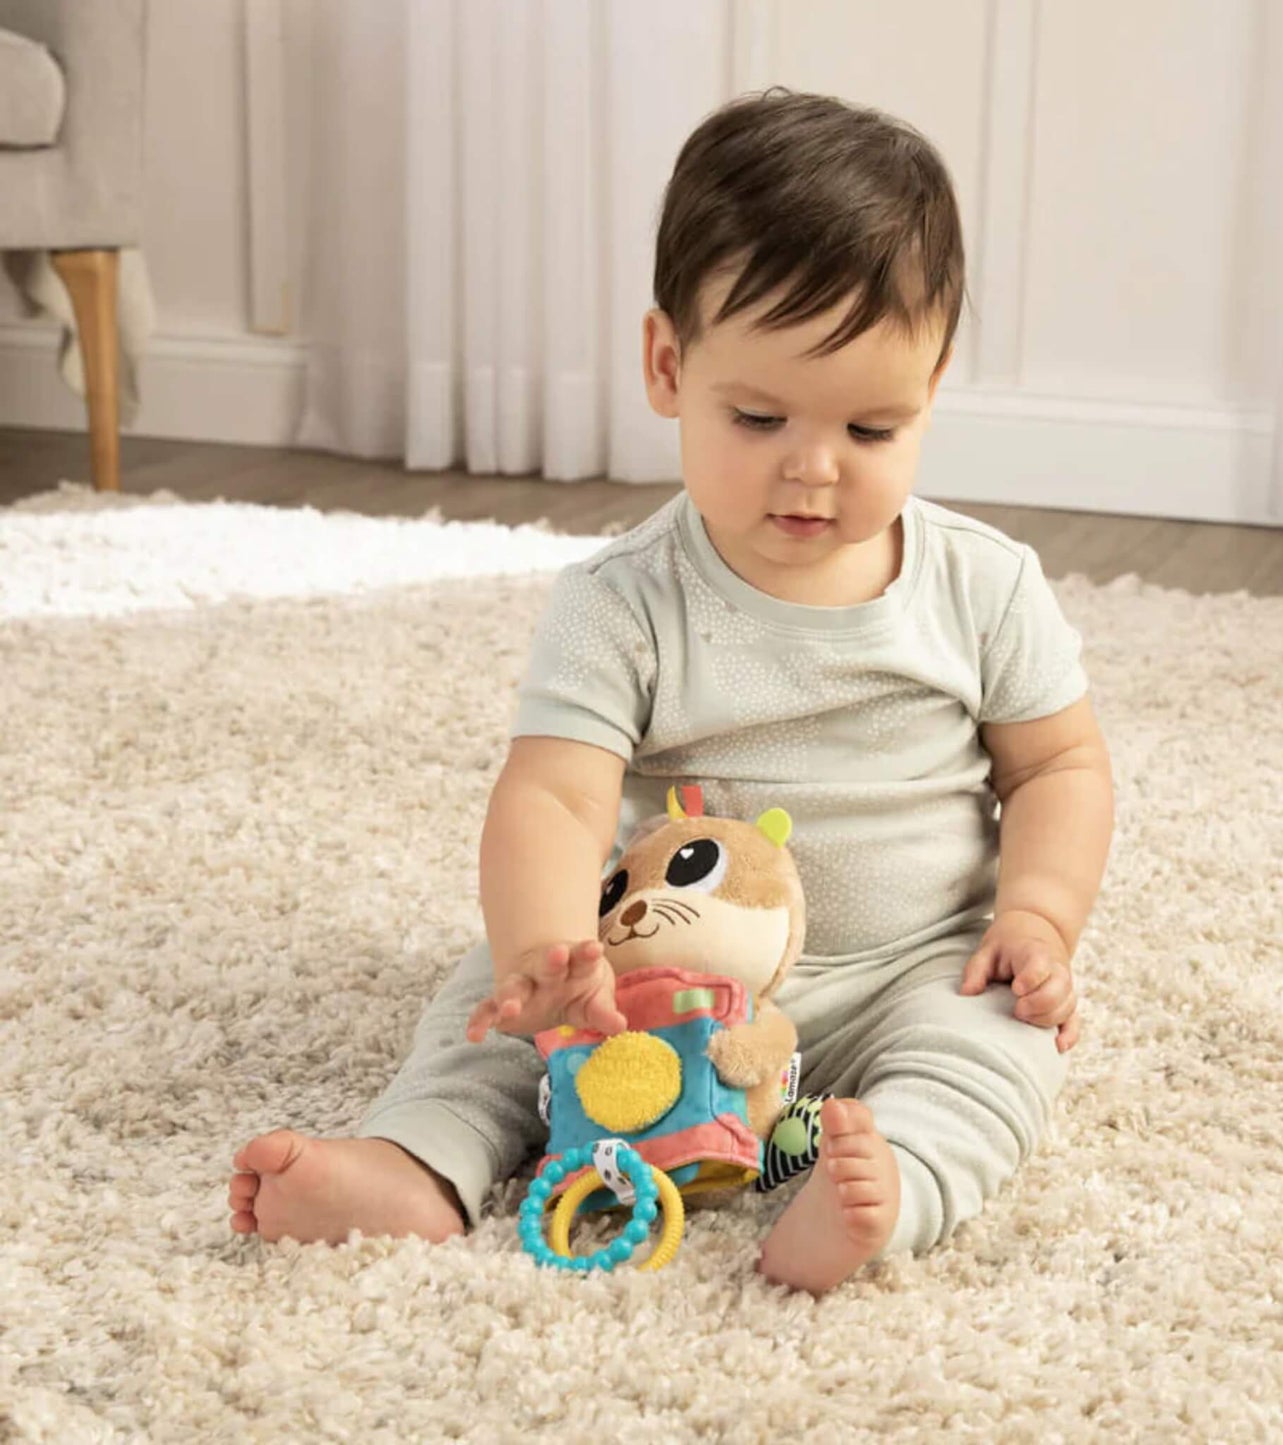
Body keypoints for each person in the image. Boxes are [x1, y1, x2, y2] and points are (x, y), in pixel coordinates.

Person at [229, 89, 1114, 1296]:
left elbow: (1057, 765)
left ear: (932, 381)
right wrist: (551, 957)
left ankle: (884, 1185)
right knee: (486, 1021)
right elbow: (550, 793)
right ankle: (414, 1164)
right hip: (655, 981)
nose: (812, 466)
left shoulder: (981, 583)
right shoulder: (623, 600)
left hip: (914, 967)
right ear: (666, 364)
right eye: (757, 416)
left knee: (1000, 1045)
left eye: (870, 425)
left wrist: (1039, 918)